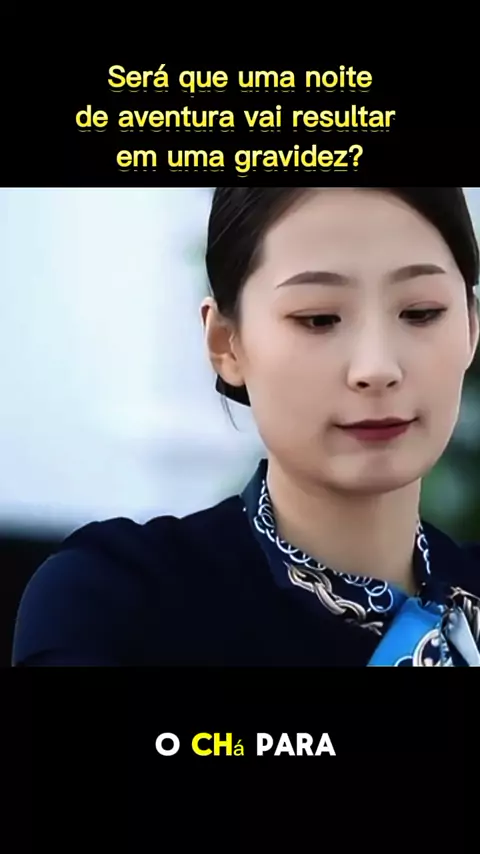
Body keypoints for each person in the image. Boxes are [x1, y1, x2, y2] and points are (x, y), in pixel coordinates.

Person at [12, 187, 480, 667]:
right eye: (319, 319)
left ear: (471, 326)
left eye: (420, 313)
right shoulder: (113, 603)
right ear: (225, 343)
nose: (377, 368)